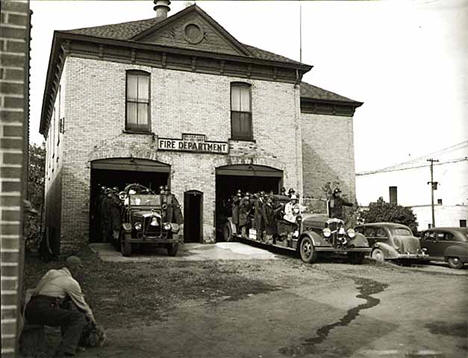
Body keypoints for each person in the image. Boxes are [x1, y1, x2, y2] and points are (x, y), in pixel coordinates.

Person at [24, 256, 96, 357]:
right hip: (45, 308)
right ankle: (66, 350)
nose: (79, 271)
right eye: (79, 268)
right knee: (78, 318)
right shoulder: (71, 282)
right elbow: (82, 306)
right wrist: (93, 321)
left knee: (66, 307)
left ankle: (68, 343)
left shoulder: (52, 272)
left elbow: (36, 291)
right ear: (74, 268)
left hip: (31, 308)